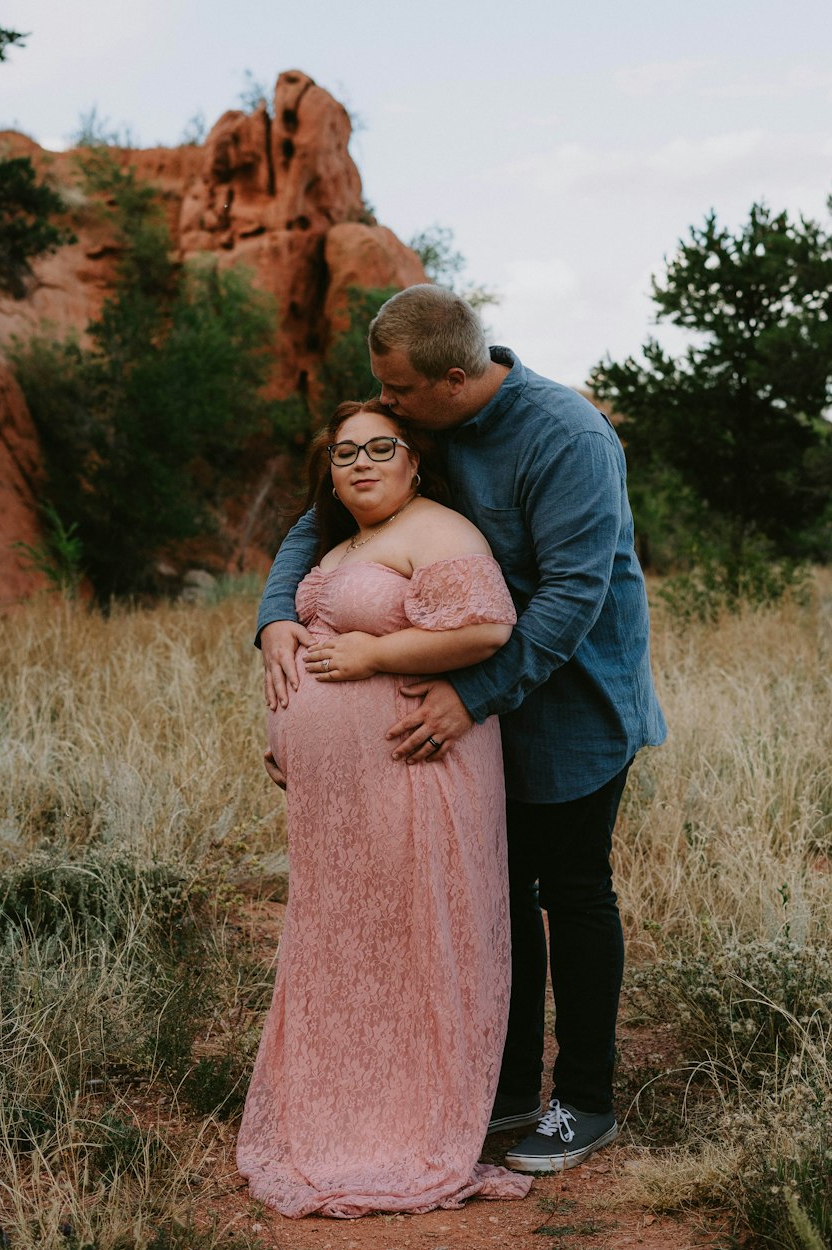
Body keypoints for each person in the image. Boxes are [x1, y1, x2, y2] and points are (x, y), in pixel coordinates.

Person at [257, 285, 667, 1175]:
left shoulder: (567, 438)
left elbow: (571, 599)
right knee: (495, 895)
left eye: (396, 394)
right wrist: (273, 620)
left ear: (451, 378)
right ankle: (504, 1084)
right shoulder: (426, 422)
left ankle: (586, 1101)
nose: (385, 406)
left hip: (571, 705)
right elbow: (312, 522)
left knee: (572, 890)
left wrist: (472, 695)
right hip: (472, 723)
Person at [236, 399, 532, 1217]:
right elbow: (308, 634)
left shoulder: (438, 530)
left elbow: (485, 630)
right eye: (343, 454)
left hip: (416, 768)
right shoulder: (344, 543)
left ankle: (406, 1126)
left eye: (379, 448)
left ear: (414, 462)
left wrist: (372, 652)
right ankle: (341, 1109)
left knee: (408, 936)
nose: (361, 463)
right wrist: (291, 720)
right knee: (352, 939)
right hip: (338, 798)